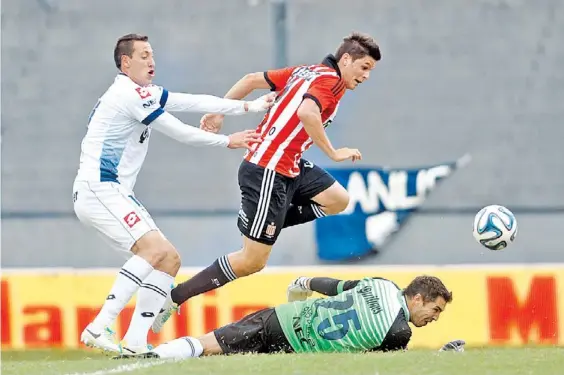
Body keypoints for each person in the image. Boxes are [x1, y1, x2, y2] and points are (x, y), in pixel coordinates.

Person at [153, 32, 382, 332]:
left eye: (370, 71)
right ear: (346, 59)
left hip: (290, 166)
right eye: (364, 67)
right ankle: (175, 296)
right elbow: (307, 112)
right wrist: (334, 153)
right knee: (252, 261)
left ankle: (266, 226)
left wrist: (218, 112)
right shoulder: (331, 81)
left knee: (338, 199)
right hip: (268, 170)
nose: (365, 76)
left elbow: (249, 79)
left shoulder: (307, 71)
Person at [73, 33, 274, 354]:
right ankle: (99, 326)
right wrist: (228, 141)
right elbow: (178, 130)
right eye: (143, 55)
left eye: (152, 54)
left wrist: (248, 105)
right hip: (100, 188)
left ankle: (136, 340)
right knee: (152, 251)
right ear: (125, 62)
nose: (151, 61)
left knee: (168, 259)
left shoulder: (142, 92)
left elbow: (193, 101)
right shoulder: (128, 95)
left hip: (112, 192)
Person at [116, 275, 463, 359]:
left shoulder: (382, 284)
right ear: (417, 298)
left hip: (284, 318)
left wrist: (301, 283)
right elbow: (389, 367)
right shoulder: (399, 332)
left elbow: (334, 285)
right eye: (434, 309)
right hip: (298, 350)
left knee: (212, 345)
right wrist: (442, 357)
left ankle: (153, 354)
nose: (434, 317)